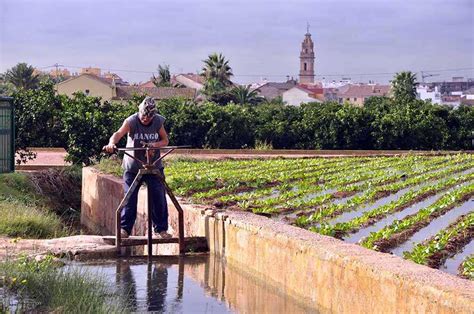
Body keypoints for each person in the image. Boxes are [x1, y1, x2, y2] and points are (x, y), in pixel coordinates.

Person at [103, 96, 171, 239]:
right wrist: (111, 143)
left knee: (159, 196)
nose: (146, 119)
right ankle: (125, 229)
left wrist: (154, 145)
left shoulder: (158, 121)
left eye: (149, 117)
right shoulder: (131, 121)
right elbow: (118, 134)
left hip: (154, 166)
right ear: (139, 111)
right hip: (133, 167)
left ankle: (161, 230)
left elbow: (165, 140)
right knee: (130, 197)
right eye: (144, 116)